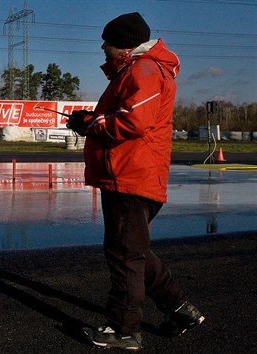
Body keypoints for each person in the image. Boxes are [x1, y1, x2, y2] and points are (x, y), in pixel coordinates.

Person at [66, 12, 205, 351]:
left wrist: (92, 124)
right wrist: (90, 120)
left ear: (125, 45)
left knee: (124, 254)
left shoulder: (144, 70)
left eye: (107, 42)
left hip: (131, 176)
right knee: (133, 249)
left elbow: (134, 122)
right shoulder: (137, 69)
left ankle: (124, 330)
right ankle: (180, 308)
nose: (103, 48)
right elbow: (125, 117)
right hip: (131, 174)